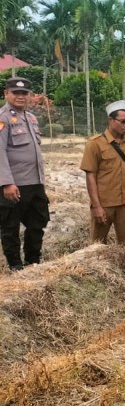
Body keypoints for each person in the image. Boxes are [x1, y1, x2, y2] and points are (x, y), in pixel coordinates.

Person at [0, 77, 48, 271]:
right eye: (15, 92)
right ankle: (15, 266)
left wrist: (41, 182)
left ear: (30, 96)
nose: (20, 96)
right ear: (6, 94)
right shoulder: (2, 118)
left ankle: (33, 261)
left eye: (24, 93)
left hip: (35, 183)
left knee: (37, 223)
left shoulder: (31, 118)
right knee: (10, 227)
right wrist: (6, 183)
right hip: (15, 184)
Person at [80, 100, 125, 246]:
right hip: (105, 203)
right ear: (111, 120)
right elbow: (90, 176)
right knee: (97, 246)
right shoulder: (95, 144)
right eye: (122, 122)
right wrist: (96, 206)